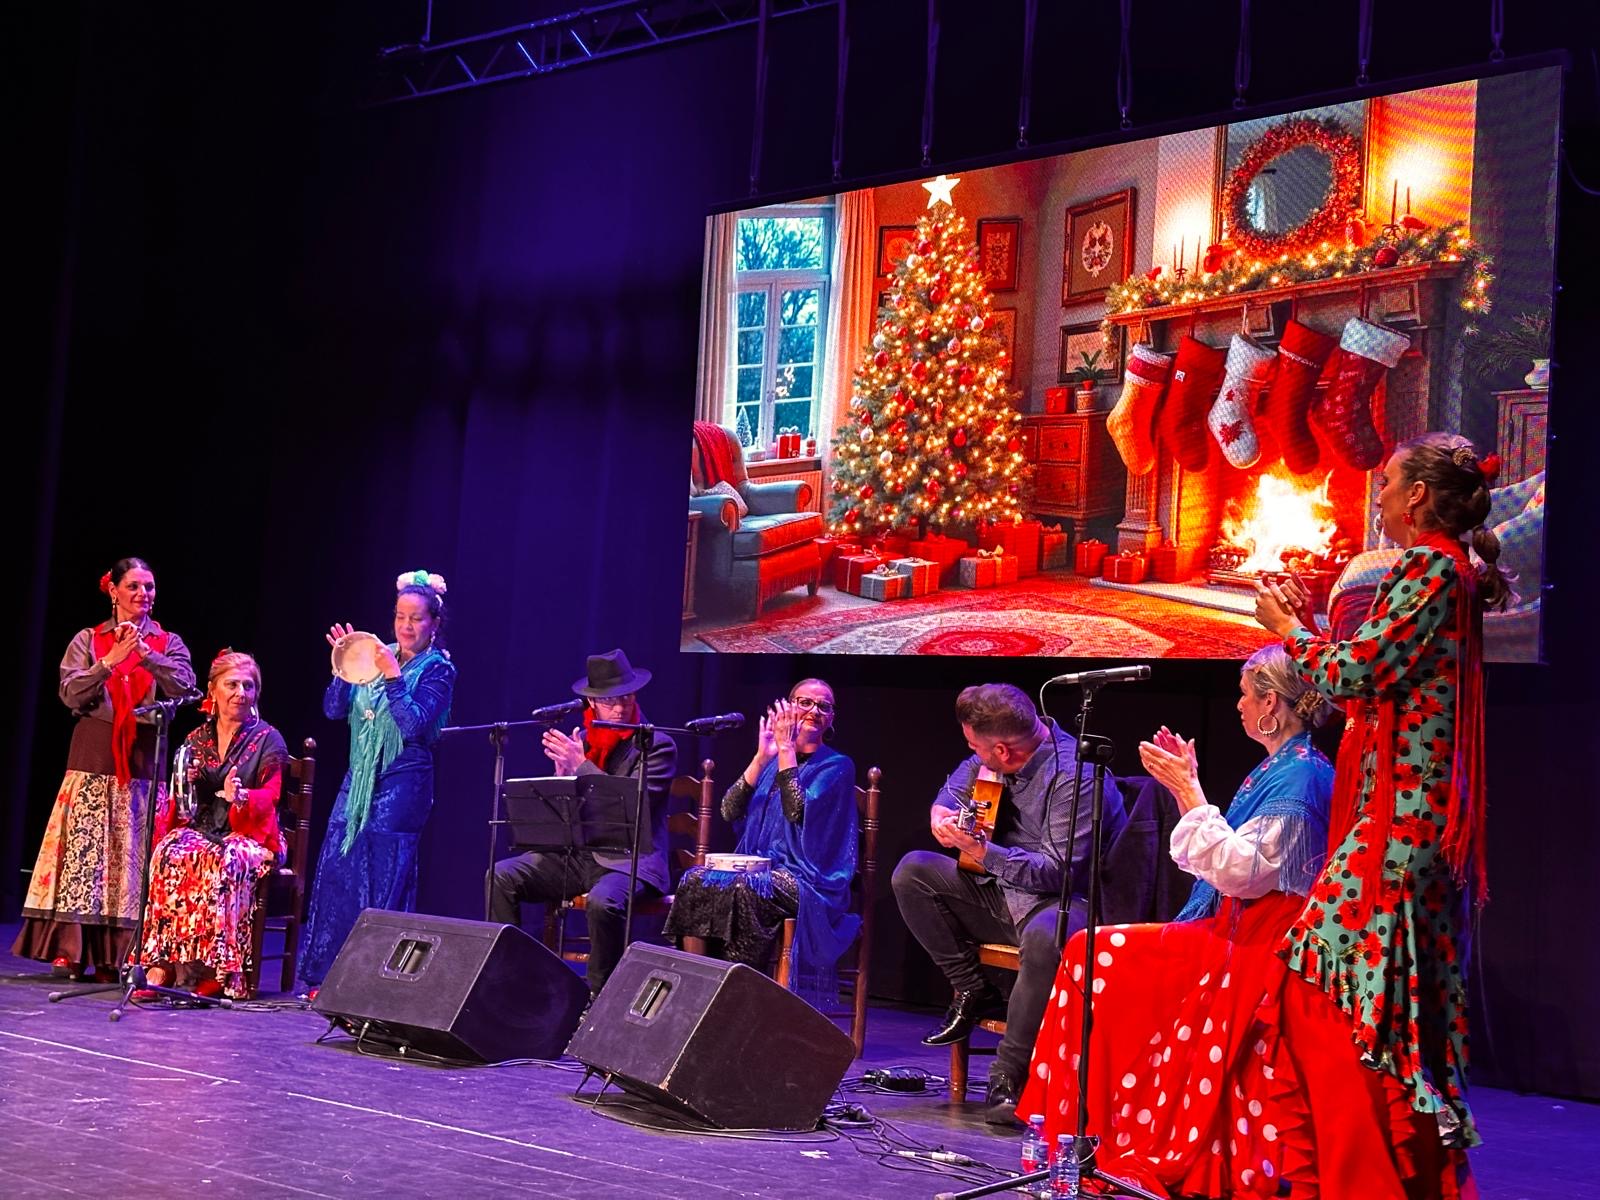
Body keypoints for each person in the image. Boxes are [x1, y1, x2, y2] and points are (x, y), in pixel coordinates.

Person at [1246, 433, 1508, 1196]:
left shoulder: (1430, 565)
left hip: (1404, 822)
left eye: (1389, 482)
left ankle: (1369, 1173)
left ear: (1420, 495)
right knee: (1376, 1000)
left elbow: (1360, 669)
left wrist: (1287, 632)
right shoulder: (1447, 570)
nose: (1382, 494)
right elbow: (1368, 679)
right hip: (1405, 817)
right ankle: (1377, 1170)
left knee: (1331, 989)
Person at [1017, 644, 1335, 1195]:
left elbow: (1240, 873)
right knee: (1090, 949)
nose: (1236, 705)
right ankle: (1085, 1130)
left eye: (1243, 694)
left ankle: (1094, 1130)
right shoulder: (1283, 766)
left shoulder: (1301, 777)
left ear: (1271, 704)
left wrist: (1188, 791)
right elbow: (1236, 865)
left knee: (1094, 954)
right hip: (1236, 928)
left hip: (1256, 946)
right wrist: (1185, 786)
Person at [892, 683, 1119, 1125]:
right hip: (1000, 891)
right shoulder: (992, 756)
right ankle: (973, 989)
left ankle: (1009, 1076)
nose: (973, 754)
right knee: (913, 871)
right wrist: (940, 814)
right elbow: (955, 789)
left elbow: (1058, 872)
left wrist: (982, 853)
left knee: (1044, 938)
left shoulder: (1076, 776)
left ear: (1004, 750)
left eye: (977, 746)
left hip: (1061, 901)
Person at [14, 558, 196, 979]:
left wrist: (146, 655)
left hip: (143, 759)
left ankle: (120, 954)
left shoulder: (168, 642)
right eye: (133, 586)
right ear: (112, 590)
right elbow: (70, 693)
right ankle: (71, 949)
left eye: (149, 587)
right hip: (94, 754)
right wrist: (110, 661)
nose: (143, 595)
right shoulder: (88, 639)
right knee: (84, 858)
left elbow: (185, 685)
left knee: (128, 858)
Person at [488, 649, 676, 997]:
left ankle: (598, 997)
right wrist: (561, 781)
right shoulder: (585, 742)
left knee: (603, 902)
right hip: (581, 856)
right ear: (592, 705)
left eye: (626, 697)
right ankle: (511, 981)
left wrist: (581, 767)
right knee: (500, 876)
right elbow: (565, 818)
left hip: (630, 860)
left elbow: (633, 807)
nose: (620, 708)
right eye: (610, 701)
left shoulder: (657, 746)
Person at [300, 570, 456, 987]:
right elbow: (334, 710)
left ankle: (370, 982)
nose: (406, 626)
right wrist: (342, 664)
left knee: (383, 875)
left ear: (434, 623)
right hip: (359, 778)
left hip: (403, 782)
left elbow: (413, 726)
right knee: (339, 867)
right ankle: (327, 975)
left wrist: (391, 676)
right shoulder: (374, 653)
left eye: (417, 618)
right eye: (400, 616)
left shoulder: (439, 669)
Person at [664, 678, 859, 1006]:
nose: (814, 711)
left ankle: (736, 998)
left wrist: (785, 752)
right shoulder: (772, 762)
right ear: (788, 706)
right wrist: (761, 756)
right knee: (696, 879)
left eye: (824, 706)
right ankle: (698, 991)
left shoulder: (838, 766)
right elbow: (728, 810)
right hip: (761, 869)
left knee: (748, 887)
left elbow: (796, 810)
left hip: (808, 882)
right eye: (805, 702)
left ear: (832, 717)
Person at [140, 651, 289, 999]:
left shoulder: (268, 739)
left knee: (224, 860)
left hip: (251, 834)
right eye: (232, 684)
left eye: (248, 686)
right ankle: (165, 962)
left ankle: (218, 970)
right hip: (207, 828)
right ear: (213, 690)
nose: (240, 692)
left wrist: (243, 797)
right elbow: (185, 799)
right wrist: (190, 782)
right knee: (168, 852)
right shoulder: (197, 738)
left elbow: (272, 794)